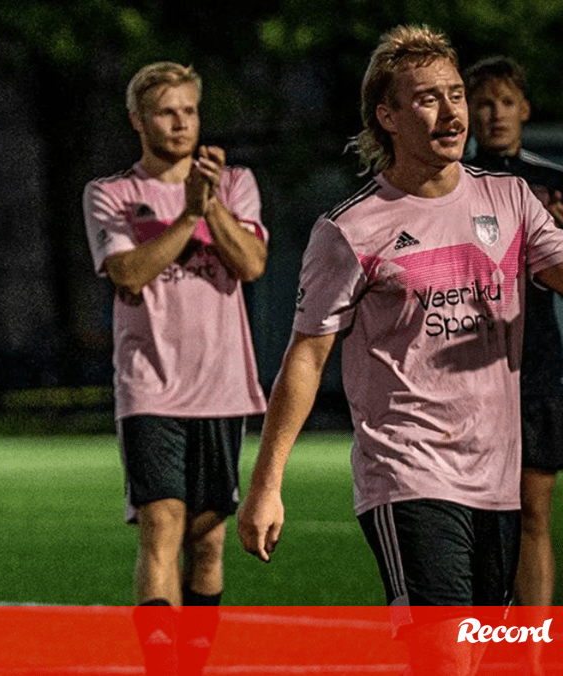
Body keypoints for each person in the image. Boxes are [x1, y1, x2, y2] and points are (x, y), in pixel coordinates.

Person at [237, 25, 563, 676]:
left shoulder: (510, 199)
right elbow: (306, 356)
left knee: (477, 660)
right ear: (386, 115)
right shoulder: (352, 228)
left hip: (496, 479)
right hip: (407, 472)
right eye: (426, 99)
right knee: (441, 657)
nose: (450, 112)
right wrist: (265, 485)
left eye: (454, 95)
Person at [82, 61, 268, 676]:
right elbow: (128, 274)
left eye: (189, 110)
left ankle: (193, 664)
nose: (182, 122)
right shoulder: (111, 194)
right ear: (138, 120)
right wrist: (187, 215)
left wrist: (209, 208)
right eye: (167, 111)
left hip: (222, 387)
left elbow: (252, 264)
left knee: (209, 542)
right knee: (162, 523)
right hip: (151, 386)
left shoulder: (235, 183)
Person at [463, 55, 563, 676]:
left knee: (532, 510)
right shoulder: (455, 181)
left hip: (537, 363)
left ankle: (531, 656)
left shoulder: (551, 182)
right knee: (471, 512)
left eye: (505, 100)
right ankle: (475, 644)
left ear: (525, 108)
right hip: (468, 363)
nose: (494, 112)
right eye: (483, 101)